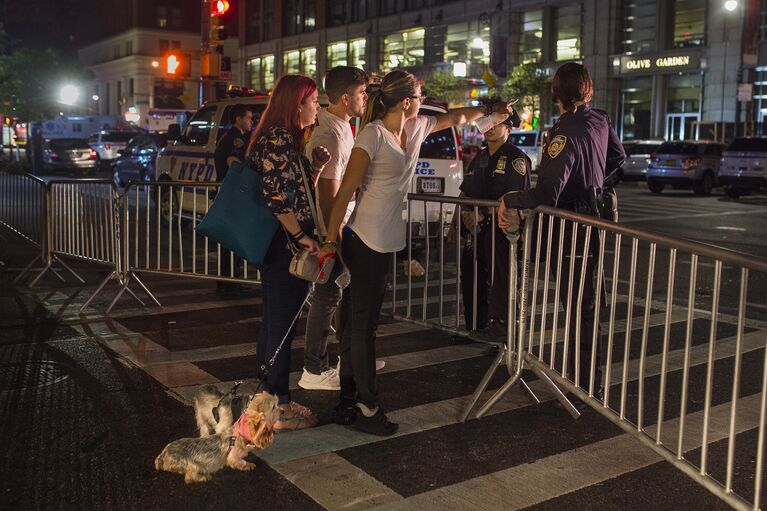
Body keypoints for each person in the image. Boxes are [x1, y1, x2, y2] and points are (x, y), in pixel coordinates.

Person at [318, 69, 516, 435]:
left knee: (356, 325)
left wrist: (491, 110)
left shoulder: (416, 127)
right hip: (363, 239)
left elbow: (458, 117)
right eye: (420, 95)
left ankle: (349, 402)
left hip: (385, 240)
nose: (424, 101)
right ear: (405, 101)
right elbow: (344, 192)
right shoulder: (372, 135)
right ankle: (366, 406)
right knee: (362, 327)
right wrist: (331, 242)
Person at [497, 62, 625, 399]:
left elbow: (546, 193)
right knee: (587, 308)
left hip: (570, 227)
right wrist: (593, 181)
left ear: (557, 92)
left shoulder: (565, 132)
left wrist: (510, 197)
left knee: (579, 308)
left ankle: (583, 386)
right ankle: (587, 381)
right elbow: (618, 157)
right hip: (592, 223)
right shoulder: (599, 119)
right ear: (587, 88)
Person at [245, 74, 331, 430]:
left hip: (279, 243)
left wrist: (315, 169)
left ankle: (265, 395)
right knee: (282, 324)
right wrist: (300, 237)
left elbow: (291, 189)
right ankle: (277, 405)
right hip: (284, 246)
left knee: (274, 320)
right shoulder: (279, 138)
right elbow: (277, 198)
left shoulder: (281, 139)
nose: (318, 108)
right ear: (297, 104)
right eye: (314, 101)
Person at [298, 66, 370, 391]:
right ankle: (314, 369)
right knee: (328, 293)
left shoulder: (342, 126)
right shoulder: (329, 133)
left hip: (339, 226)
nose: (365, 99)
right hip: (331, 228)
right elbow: (327, 197)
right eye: (361, 94)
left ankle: (346, 359)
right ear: (345, 97)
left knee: (336, 292)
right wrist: (333, 239)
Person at [457, 115, 531, 333]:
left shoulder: (516, 159)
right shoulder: (479, 157)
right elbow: (465, 191)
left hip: (500, 232)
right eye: (488, 123)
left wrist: (483, 214)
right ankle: (475, 327)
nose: (489, 128)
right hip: (475, 233)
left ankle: (504, 330)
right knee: (472, 278)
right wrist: (458, 220)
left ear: (508, 128)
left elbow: (515, 197)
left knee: (501, 282)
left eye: (496, 123)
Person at [213, 104, 254, 296]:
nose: (251, 122)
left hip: (232, 193)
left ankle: (230, 280)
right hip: (232, 193)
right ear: (238, 119)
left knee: (231, 240)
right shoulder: (235, 139)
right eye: (248, 118)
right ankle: (228, 282)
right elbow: (233, 162)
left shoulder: (235, 136)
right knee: (230, 240)